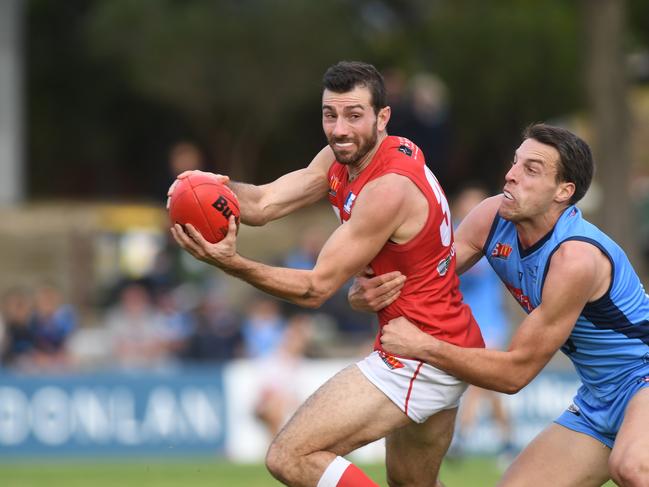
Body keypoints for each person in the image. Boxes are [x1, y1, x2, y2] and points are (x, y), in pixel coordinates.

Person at [168, 61, 484, 487]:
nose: (339, 129)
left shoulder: (388, 188)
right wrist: (207, 188)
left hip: (421, 353)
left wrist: (232, 264)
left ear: (382, 117)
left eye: (354, 115)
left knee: (290, 455)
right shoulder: (348, 156)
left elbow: (315, 289)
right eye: (329, 115)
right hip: (435, 339)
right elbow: (262, 204)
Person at [349, 124, 649, 486]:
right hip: (601, 396)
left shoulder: (575, 258)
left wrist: (423, 346)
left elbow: (514, 374)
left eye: (531, 170)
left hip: (642, 381)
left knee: (632, 467)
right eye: (514, 163)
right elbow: (422, 277)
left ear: (564, 192)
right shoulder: (492, 217)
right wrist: (370, 288)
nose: (510, 175)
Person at [450, 186, 515, 462]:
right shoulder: (453, 234)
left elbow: (473, 269)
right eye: (466, 206)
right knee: (488, 385)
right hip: (463, 319)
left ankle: (461, 438)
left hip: (489, 321)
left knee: (478, 379)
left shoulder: (493, 237)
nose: (471, 212)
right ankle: (509, 440)